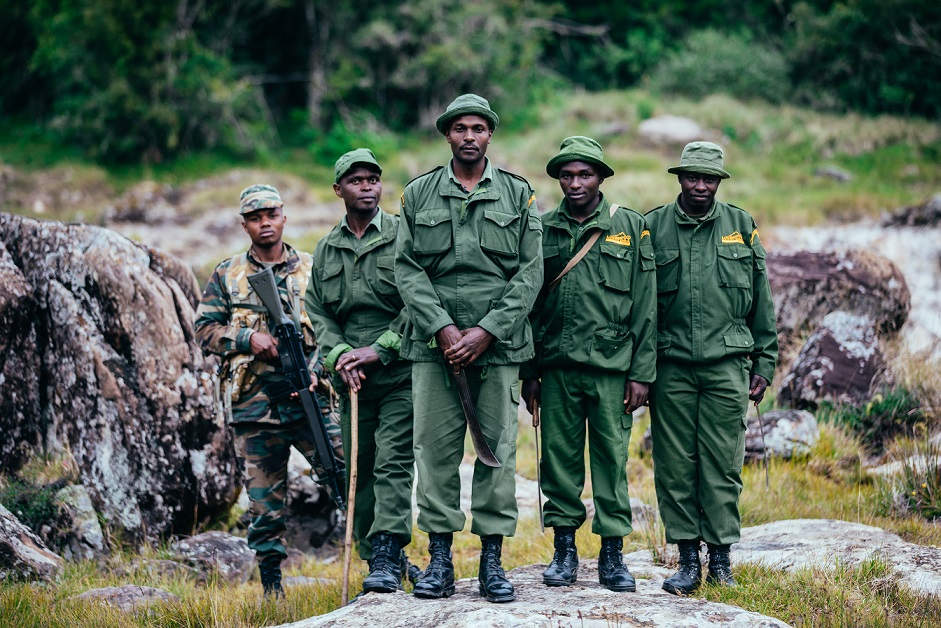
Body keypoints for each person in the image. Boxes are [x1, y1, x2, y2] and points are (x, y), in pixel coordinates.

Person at [394, 93, 543, 603]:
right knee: (434, 453)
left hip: (497, 349)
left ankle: (492, 562)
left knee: (497, 453)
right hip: (433, 348)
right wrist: (440, 326)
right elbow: (406, 268)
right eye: (460, 128)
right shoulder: (418, 194)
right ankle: (439, 559)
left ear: (490, 135)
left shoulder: (518, 195)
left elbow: (530, 271)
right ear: (447, 135)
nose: (470, 136)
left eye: (479, 128)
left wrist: (487, 331)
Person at [194, 184, 344, 598]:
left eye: (271, 214)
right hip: (254, 410)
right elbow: (204, 330)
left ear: (283, 217)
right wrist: (247, 339)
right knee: (264, 504)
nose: (265, 223)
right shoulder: (227, 274)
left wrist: (316, 368)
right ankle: (272, 585)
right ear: (244, 224)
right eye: (255, 217)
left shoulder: (313, 268)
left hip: (311, 399)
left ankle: (382, 560)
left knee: (345, 475)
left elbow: (335, 329)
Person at [521, 136, 657, 592]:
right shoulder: (542, 228)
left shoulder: (629, 226)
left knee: (611, 461)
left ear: (601, 177)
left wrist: (641, 373)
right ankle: (564, 550)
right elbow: (530, 305)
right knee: (558, 462)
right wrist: (530, 372)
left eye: (584, 174)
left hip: (612, 370)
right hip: (556, 368)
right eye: (566, 175)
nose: (575, 183)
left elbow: (646, 305)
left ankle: (613, 555)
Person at [645, 142, 778, 595]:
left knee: (722, 464)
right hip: (670, 367)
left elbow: (762, 297)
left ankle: (720, 558)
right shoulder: (652, 226)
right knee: (674, 465)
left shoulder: (741, 225)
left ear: (719, 182)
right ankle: (686, 560)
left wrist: (765, 360)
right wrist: (640, 370)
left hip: (727, 366)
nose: (700, 186)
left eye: (709, 179)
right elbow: (640, 307)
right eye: (692, 177)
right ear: (679, 178)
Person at [305, 148, 419, 593]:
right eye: (357, 181)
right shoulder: (327, 248)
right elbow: (319, 311)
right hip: (352, 379)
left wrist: (379, 350)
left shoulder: (401, 235)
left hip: (399, 372)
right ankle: (378, 558)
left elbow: (416, 301)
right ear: (339, 190)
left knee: (393, 463)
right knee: (360, 465)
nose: (368, 186)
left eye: (373, 179)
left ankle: (388, 549)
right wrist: (338, 357)